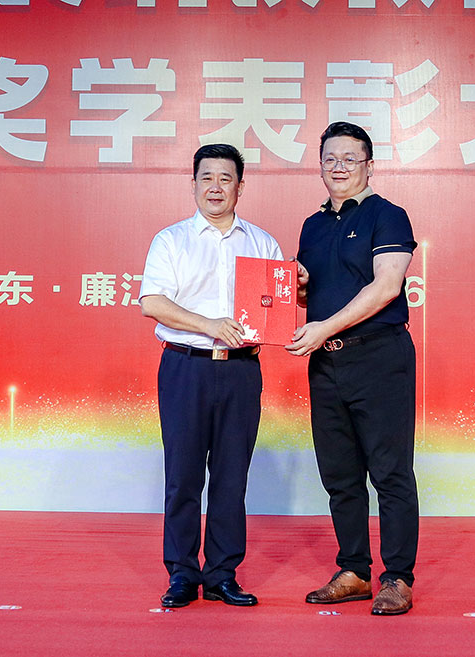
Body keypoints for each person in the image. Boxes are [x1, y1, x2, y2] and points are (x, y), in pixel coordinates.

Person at [139, 143, 282, 608]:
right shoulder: (171, 240)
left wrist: (292, 297)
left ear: (240, 186)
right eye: (207, 178)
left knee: (230, 477)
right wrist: (209, 325)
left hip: (241, 371)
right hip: (186, 367)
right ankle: (182, 573)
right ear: (193, 184)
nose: (215, 187)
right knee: (182, 476)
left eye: (225, 178)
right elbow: (152, 302)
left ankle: (222, 574)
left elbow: (275, 308)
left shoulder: (262, 243)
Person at [287, 122, 419, 616]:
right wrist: (300, 289)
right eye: (329, 159)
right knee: (340, 473)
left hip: (379, 356)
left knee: (389, 472)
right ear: (320, 165)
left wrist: (322, 328)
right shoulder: (312, 225)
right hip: (326, 361)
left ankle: (397, 577)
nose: (338, 167)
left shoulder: (388, 216)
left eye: (349, 158)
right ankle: (354, 571)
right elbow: (314, 297)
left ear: (369, 164)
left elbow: (386, 287)